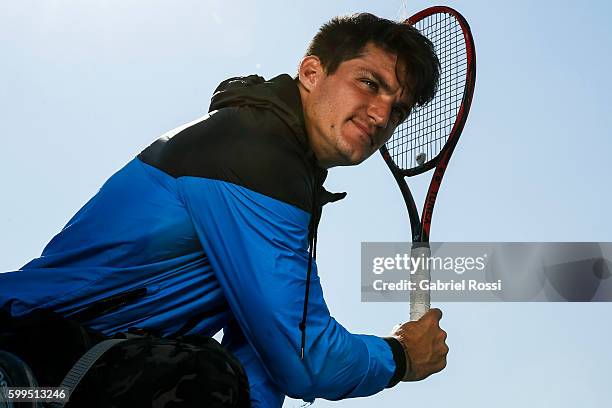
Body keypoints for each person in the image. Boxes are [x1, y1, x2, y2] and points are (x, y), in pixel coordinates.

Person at [0, 12, 448, 407]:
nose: (382, 114)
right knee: (203, 378)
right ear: (311, 72)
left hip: (78, 366)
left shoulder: (282, 178)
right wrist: (401, 356)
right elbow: (307, 360)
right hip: (28, 359)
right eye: (369, 83)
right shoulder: (256, 156)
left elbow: (264, 361)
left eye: (400, 109)